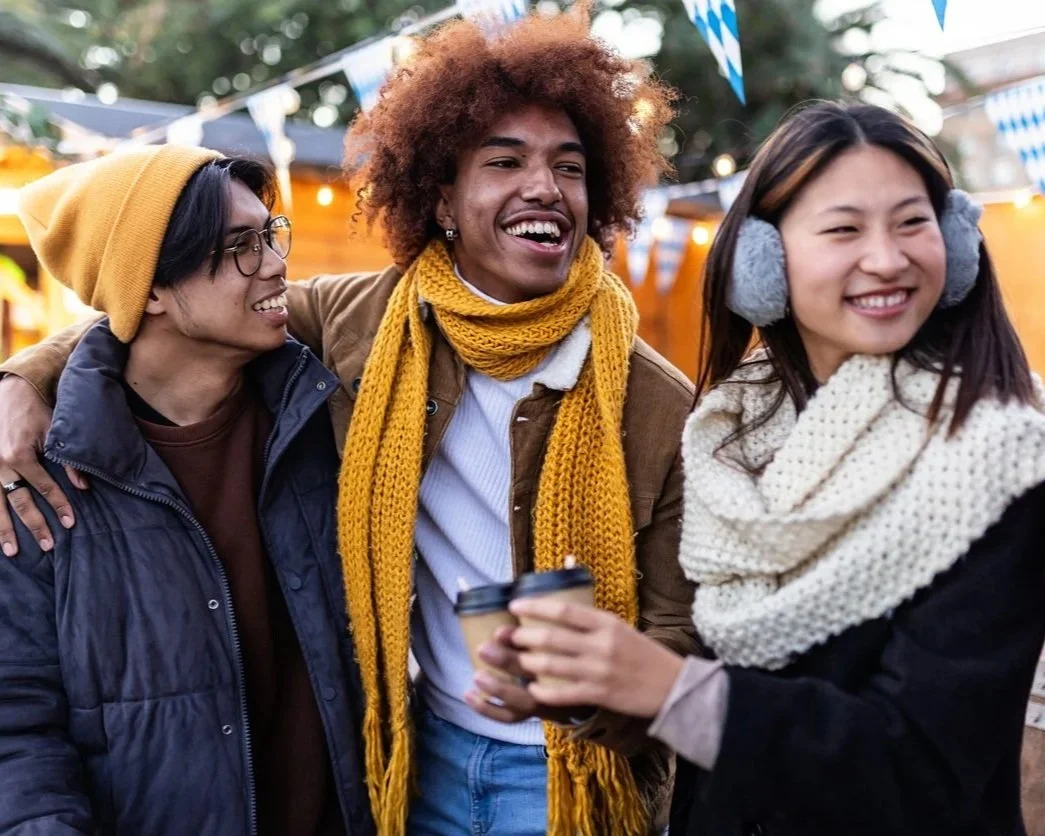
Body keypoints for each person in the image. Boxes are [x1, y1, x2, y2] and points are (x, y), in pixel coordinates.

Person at [0, 9, 700, 835]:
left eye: (570, 168)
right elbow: (137, 312)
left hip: (571, 783)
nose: (543, 187)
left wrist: (588, 698)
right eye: (504, 161)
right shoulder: (357, 325)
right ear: (441, 195)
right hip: (413, 769)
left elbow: (678, 641)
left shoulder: (654, 399)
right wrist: (20, 377)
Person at [501, 101, 1045, 835]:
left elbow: (925, 768)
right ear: (761, 260)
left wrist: (673, 691)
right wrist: (579, 679)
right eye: (844, 229)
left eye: (911, 222)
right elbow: (694, 684)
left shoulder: (997, 458)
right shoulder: (730, 433)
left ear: (955, 240)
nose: (885, 258)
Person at [0, 146, 371, 835]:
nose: (273, 261)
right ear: (148, 289)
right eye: (239, 246)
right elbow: (15, 726)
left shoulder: (328, 412)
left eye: (270, 234)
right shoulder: (35, 475)